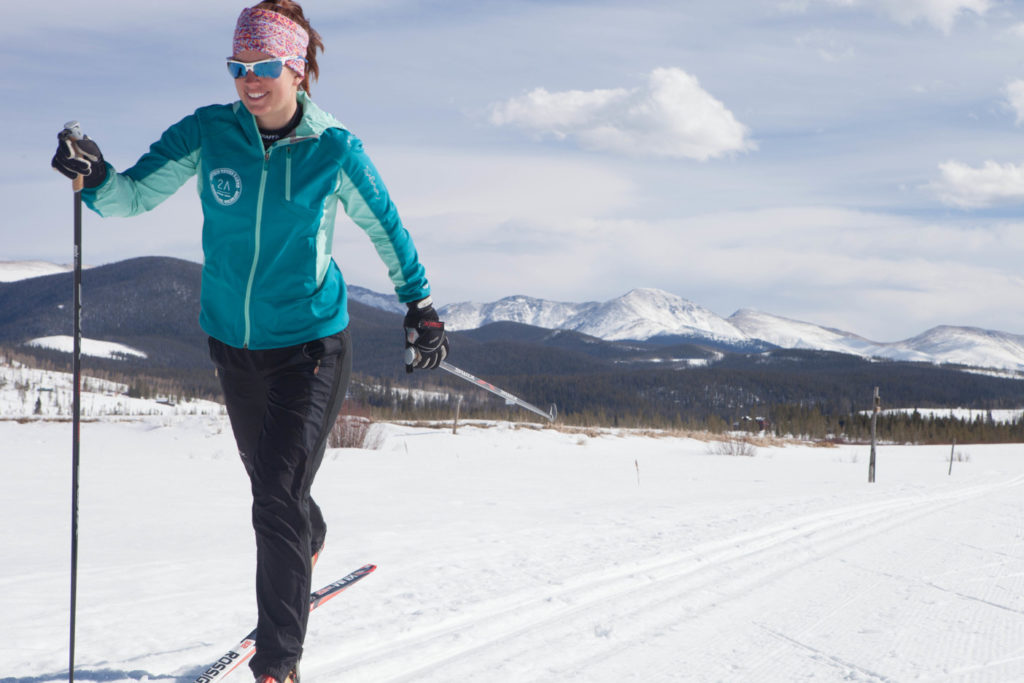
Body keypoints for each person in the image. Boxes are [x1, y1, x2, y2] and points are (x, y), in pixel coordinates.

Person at [51, 2, 448, 681]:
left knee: (271, 501)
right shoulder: (210, 132)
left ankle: (279, 661)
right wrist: (94, 176)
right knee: (279, 494)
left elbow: (385, 224)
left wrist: (420, 303)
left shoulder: (334, 148)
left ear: (296, 67)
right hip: (233, 348)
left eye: (264, 66)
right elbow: (134, 197)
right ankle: (309, 536)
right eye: (239, 67)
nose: (250, 80)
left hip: (312, 348)